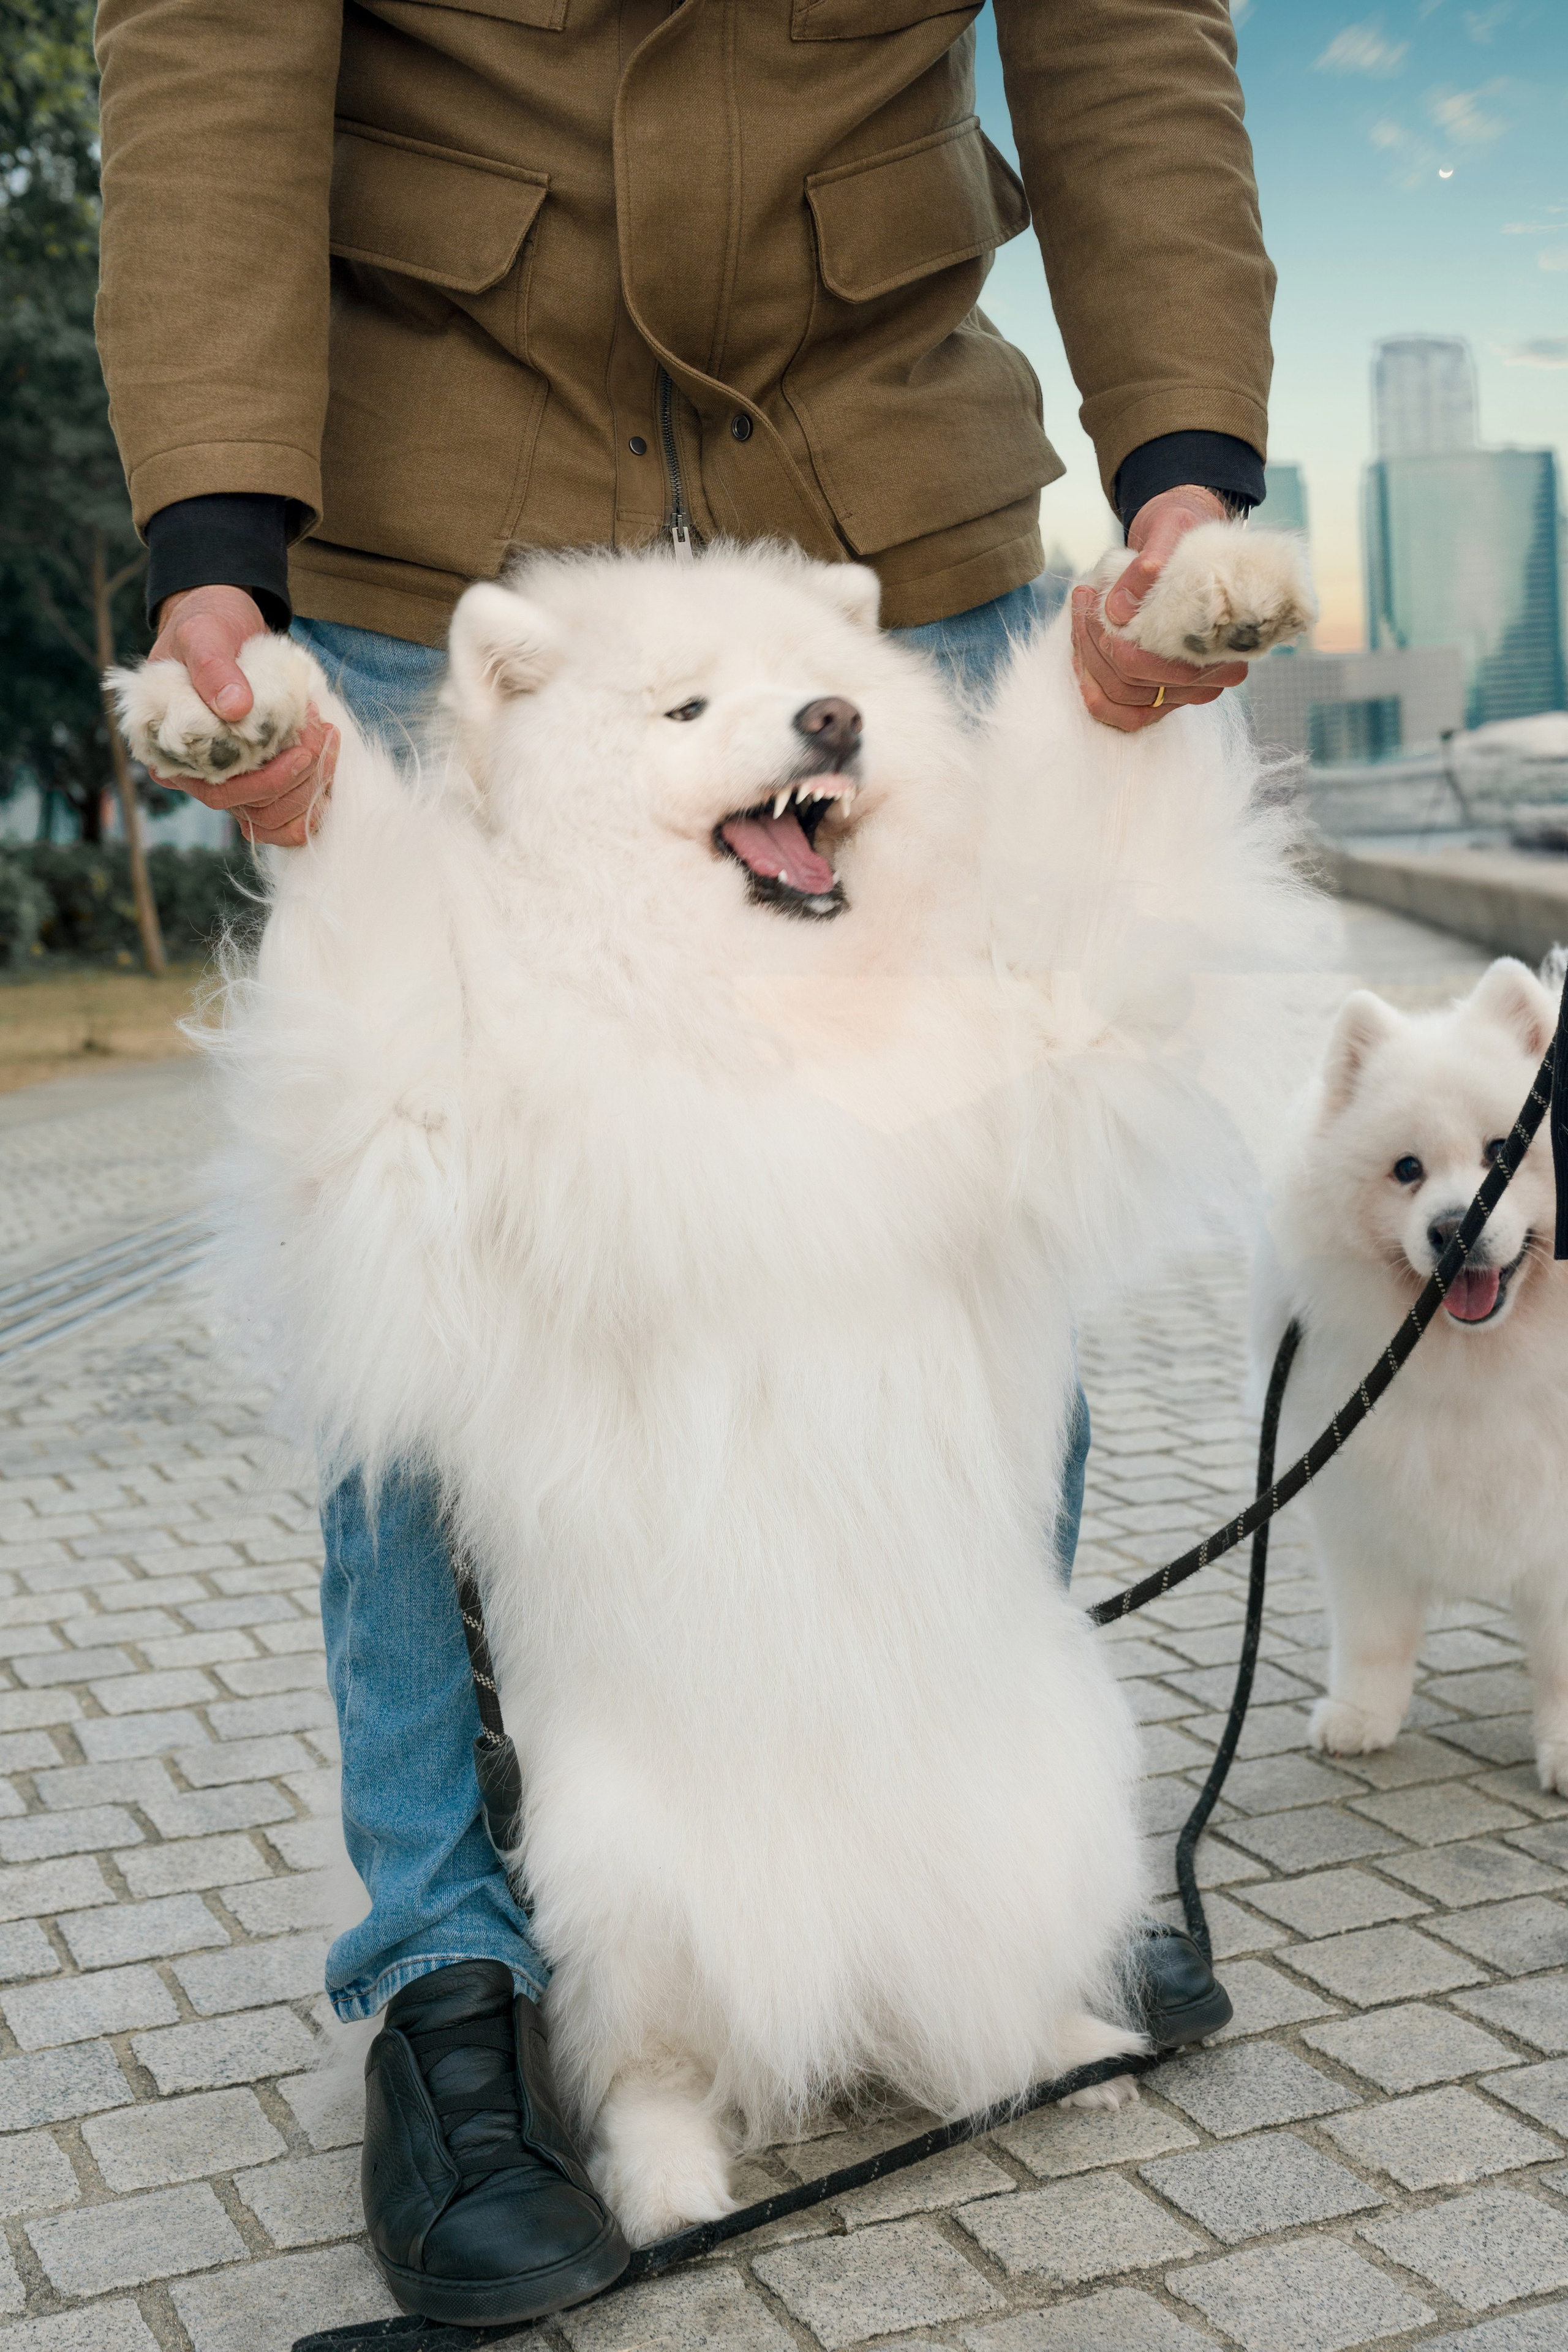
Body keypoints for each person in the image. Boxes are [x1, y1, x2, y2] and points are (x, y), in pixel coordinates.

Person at [96, 0, 1270, 2324]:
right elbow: (214, 41)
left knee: (965, 1228)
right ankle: (453, 1984)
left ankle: (966, 1875)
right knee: (420, 1248)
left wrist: (1184, 473)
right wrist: (217, 534)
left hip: (882, 467)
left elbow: (1127, 26)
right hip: (426, 469)